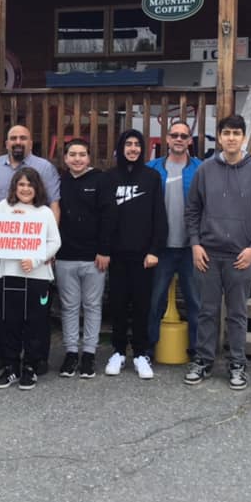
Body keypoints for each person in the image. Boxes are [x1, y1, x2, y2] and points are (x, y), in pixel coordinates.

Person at [184, 113, 251, 391]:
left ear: (244, 137)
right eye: (226, 133)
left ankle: (237, 363)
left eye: (237, 133)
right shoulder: (205, 170)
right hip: (208, 255)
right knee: (207, 311)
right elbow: (193, 210)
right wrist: (196, 243)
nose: (231, 138)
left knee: (237, 312)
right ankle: (203, 360)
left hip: (241, 256)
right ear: (220, 137)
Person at [0, 124, 60, 374]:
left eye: (23, 137)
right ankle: (3, 356)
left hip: (35, 259)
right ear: (6, 142)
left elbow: (54, 207)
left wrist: (43, 252)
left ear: (30, 142)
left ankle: (37, 359)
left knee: (37, 312)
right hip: (6, 258)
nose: (18, 141)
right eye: (13, 137)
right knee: (4, 309)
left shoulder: (45, 168)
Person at [0, 167, 61, 390]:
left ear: (37, 187)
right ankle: (11, 367)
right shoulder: (4, 207)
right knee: (10, 322)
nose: (25, 189)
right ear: (14, 187)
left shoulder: (44, 212)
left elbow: (54, 242)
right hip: (10, 275)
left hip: (37, 276)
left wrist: (36, 260)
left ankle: (30, 367)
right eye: (21, 184)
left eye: (30, 185)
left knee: (35, 323)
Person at [104, 129, 167, 380]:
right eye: (128, 144)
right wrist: (104, 249)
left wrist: (154, 250)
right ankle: (118, 351)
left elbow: (159, 218)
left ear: (142, 149)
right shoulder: (109, 178)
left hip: (144, 256)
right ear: (120, 148)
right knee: (117, 304)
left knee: (143, 305)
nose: (132, 149)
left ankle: (141, 353)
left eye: (136, 145)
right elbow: (105, 218)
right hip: (117, 256)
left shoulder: (152, 177)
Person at [55, 138, 116, 379]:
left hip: (94, 257)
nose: (77, 159)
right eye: (72, 154)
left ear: (89, 158)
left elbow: (109, 217)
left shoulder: (101, 180)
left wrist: (104, 250)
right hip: (65, 256)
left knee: (92, 306)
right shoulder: (61, 182)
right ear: (65, 158)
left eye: (82, 154)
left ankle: (89, 354)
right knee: (69, 307)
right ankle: (71, 353)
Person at [147, 119, 202, 360]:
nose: (179, 139)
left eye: (184, 136)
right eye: (174, 135)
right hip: (161, 248)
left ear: (190, 141)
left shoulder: (202, 169)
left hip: (192, 248)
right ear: (167, 139)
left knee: (196, 303)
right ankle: (147, 349)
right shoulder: (151, 169)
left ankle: (198, 352)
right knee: (155, 301)